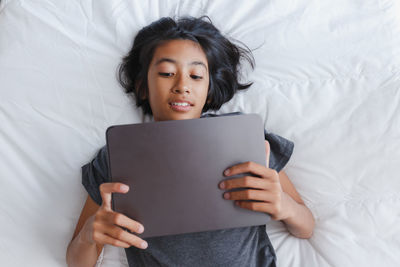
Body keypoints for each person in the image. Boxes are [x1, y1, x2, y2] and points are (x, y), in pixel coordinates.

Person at [66, 16, 315, 267]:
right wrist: (89, 235)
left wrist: (284, 207)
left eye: (196, 76)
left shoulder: (242, 136)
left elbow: (306, 227)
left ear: (209, 89)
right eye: (166, 73)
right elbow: (77, 262)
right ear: (143, 86)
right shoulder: (118, 155)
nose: (182, 85)